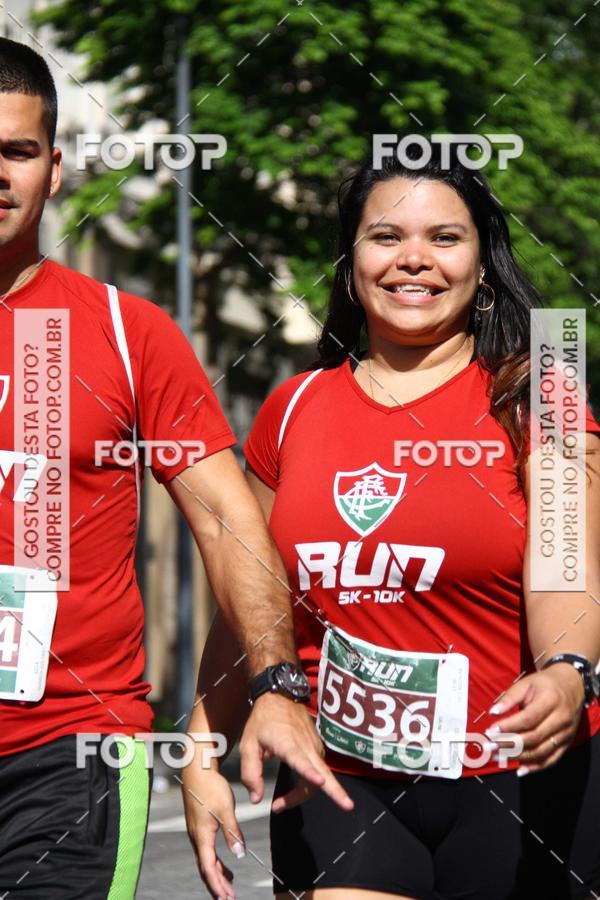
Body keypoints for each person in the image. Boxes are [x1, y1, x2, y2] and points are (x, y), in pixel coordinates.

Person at [182, 143, 600, 900]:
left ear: (481, 266)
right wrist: (202, 748)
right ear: (351, 262)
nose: (414, 259)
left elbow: (566, 575)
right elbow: (249, 594)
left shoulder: (544, 395)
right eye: (386, 237)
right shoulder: (293, 408)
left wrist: (569, 675)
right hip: (341, 779)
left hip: (517, 779)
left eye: (445, 238)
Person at [0, 37, 351, 900]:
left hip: (71, 751)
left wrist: (272, 684)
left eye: (15, 151)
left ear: (54, 168)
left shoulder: (129, 334)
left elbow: (229, 523)